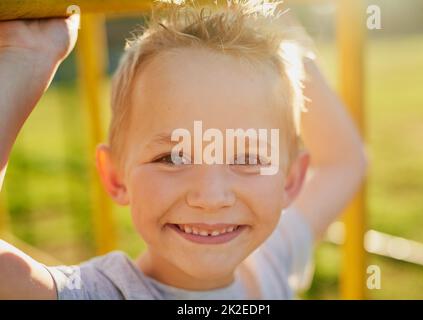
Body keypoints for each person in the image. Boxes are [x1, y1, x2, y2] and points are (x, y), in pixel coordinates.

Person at [0, 1, 367, 299]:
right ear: (114, 175)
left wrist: (268, 12)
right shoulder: (103, 293)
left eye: (248, 158)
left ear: (290, 180)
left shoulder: (271, 262)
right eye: (173, 157)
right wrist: (26, 59)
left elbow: (345, 161)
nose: (210, 197)